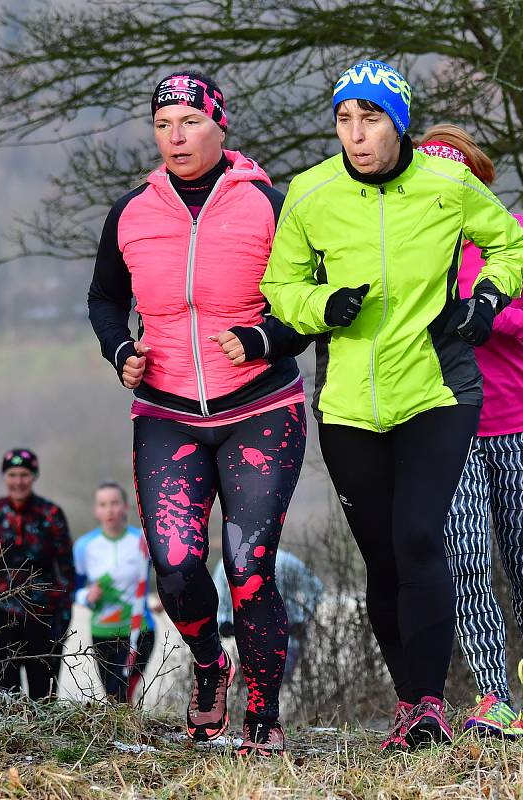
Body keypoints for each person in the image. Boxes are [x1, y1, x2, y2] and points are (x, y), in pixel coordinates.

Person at [261, 59, 523, 750]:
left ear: (399, 123)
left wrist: (488, 301)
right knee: (382, 554)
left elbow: (509, 243)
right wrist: (322, 304)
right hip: (348, 403)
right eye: (344, 119)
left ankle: (432, 703)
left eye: (371, 118)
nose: (356, 133)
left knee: (417, 535)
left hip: (436, 389)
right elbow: (281, 286)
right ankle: (410, 705)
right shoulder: (312, 192)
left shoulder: (446, 184)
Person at [88, 71, 310, 756]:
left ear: (221, 127)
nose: (174, 137)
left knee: (247, 566)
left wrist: (264, 339)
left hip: (260, 408)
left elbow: (309, 301)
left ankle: (263, 716)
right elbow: (102, 299)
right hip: (166, 411)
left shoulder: (271, 205)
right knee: (178, 565)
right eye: (162, 125)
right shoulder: (131, 211)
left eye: (188, 122)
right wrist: (120, 348)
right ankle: (210, 666)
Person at [417, 125, 523, 737]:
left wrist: (493, 317)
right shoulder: (409, 244)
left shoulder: (517, 235)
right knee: (464, 561)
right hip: (447, 425)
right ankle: (492, 695)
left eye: (454, 180)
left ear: (476, 184)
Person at [0, 449, 75, 700]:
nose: (18, 481)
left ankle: (43, 740)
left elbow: (67, 571)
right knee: (7, 696)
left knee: (42, 698)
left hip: (43, 615)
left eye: (24, 474)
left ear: (34, 476)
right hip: (0, 613)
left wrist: (64, 620)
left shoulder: (51, 514)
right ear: (5, 477)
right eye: (12, 474)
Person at [73, 482, 155, 703]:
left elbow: (168, 575)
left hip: (140, 629)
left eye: (115, 503)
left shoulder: (142, 541)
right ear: (96, 510)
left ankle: (128, 734)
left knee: (123, 692)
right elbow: (74, 588)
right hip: (103, 632)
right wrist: (86, 597)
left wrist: (166, 602)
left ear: (126, 506)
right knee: (113, 696)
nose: (109, 510)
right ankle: (125, 735)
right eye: (103, 504)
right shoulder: (84, 546)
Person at [212, 548, 323, 680]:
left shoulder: (285, 561)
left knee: (271, 687)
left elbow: (316, 589)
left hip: (282, 642)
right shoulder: (228, 565)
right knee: (265, 689)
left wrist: (303, 621)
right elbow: (218, 603)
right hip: (248, 645)